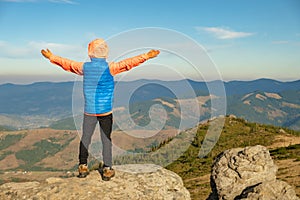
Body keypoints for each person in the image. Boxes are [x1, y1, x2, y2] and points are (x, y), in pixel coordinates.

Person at [41, 38, 160, 180]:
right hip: (106, 111)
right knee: (106, 140)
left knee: (85, 138)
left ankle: (82, 166)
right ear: (105, 53)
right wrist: (146, 56)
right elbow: (129, 63)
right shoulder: (111, 67)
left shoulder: (84, 67)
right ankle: (107, 169)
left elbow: (67, 64)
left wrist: (52, 57)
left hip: (89, 111)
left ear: (90, 52)